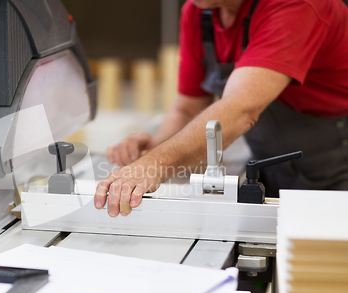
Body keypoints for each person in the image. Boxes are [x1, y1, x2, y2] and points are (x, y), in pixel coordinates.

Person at [94, 0, 348, 217]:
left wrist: (156, 164)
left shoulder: (297, 5)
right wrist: (152, 149)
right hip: (275, 168)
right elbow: (187, 108)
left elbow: (241, 110)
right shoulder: (199, 12)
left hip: (336, 169)